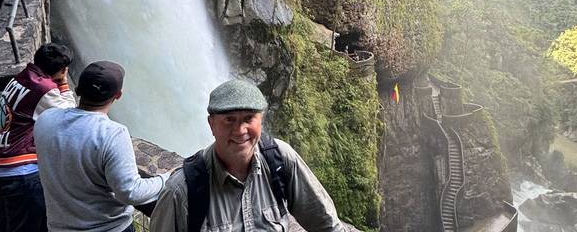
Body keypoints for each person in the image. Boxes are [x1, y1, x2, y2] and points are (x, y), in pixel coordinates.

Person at [150, 79, 346, 232]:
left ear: (261, 121)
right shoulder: (181, 191)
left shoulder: (280, 160)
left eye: (248, 118)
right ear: (212, 124)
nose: (240, 130)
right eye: (229, 120)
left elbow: (327, 224)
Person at [34, 61, 170, 232]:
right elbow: (130, 192)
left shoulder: (45, 120)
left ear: (79, 89)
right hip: (108, 228)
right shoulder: (112, 134)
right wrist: (166, 179)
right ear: (118, 95)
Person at [0, 43, 76, 232]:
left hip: (3, 163)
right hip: (21, 171)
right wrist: (63, 82)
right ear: (62, 69)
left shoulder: (21, 78)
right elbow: (70, 114)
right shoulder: (43, 89)